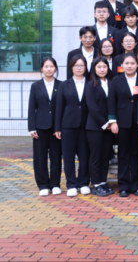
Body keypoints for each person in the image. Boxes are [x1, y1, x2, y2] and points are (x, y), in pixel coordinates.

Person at [55, 55, 90, 197]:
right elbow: (59, 107)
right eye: (76, 65)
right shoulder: (64, 85)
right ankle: (71, 184)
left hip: (86, 125)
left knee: (84, 156)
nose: (79, 68)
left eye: (82, 65)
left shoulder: (91, 83)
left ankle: (83, 183)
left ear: (85, 67)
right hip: (68, 125)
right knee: (68, 157)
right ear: (71, 68)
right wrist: (57, 128)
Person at [108, 53, 138, 197]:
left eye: (132, 63)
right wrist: (113, 121)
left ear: (137, 65)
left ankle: (136, 185)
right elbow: (111, 101)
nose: (129, 66)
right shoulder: (116, 80)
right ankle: (123, 186)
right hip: (122, 122)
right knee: (123, 154)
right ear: (122, 65)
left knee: (137, 154)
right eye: (127, 63)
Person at [28, 57, 63, 197]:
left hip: (56, 128)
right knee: (40, 157)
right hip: (40, 127)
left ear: (55, 68)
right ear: (42, 68)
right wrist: (32, 128)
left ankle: (55, 184)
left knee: (56, 157)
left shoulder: (61, 85)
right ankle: (43, 185)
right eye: (46, 66)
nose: (49, 69)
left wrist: (60, 127)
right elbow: (31, 108)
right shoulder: (35, 86)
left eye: (51, 66)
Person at [85, 57, 115, 197]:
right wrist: (105, 123)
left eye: (104, 67)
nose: (102, 69)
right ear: (94, 69)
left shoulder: (111, 83)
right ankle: (96, 184)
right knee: (95, 156)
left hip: (109, 127)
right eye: (99, 67)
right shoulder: (90, 85)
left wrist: (111, 122)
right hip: (95, 126)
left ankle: (103, 182)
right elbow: (92, 108)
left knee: (105, 156)